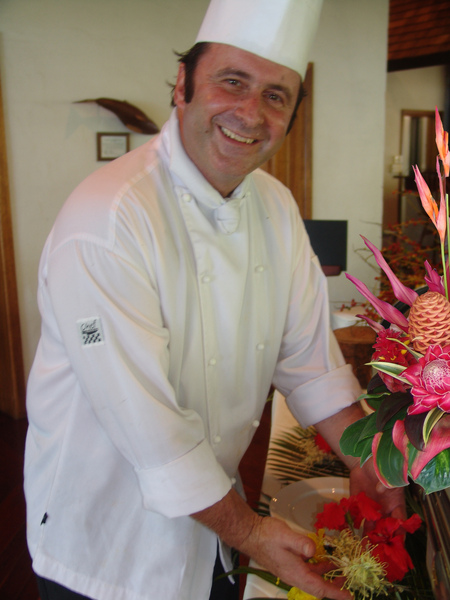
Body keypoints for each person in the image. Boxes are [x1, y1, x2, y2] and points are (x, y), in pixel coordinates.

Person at [24, 1, 405, 599]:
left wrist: (366, 460)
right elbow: (145, 422)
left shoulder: (276, 208)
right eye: (232, 82)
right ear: (183, 86)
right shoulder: (108, 219)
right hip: (104, 541)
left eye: (276, 95)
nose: (250, 113)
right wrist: (252, 532)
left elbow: (310, 363)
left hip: (214, 524)